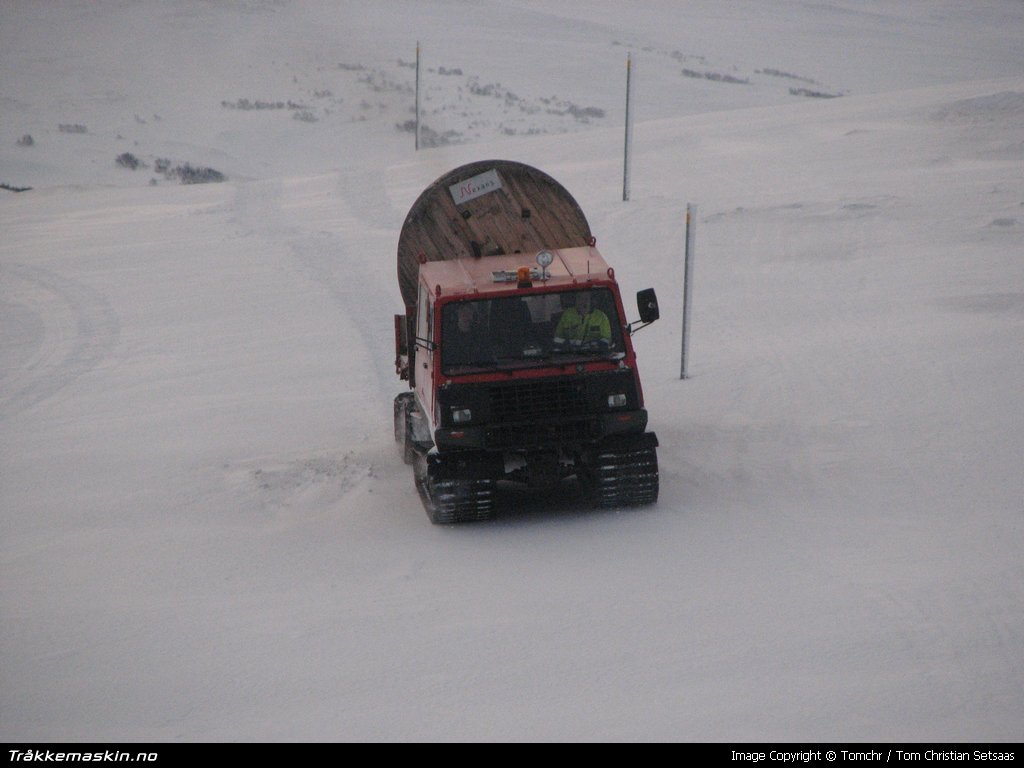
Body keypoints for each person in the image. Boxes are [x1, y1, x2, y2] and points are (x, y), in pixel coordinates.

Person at [444, 302, 488, 367]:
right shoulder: (449, 336)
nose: (466, 316)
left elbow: (486, 356)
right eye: (463, 312)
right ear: (457, 314)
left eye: (469, 313)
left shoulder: (480, 335)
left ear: (473, 315)